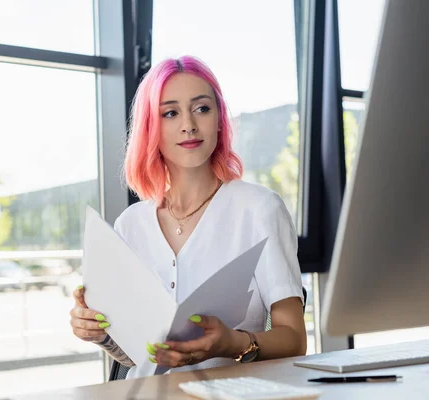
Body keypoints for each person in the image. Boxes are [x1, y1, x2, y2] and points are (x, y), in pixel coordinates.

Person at [69, 56, 307, 379]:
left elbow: (294, 338)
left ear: (220, 120)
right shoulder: (130, 225)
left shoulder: (260, 209)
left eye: (202, 108)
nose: (189, 125)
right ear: (151, 128)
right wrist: (102, 334)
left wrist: (231, 343)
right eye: (170, 113)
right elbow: (139, 355)